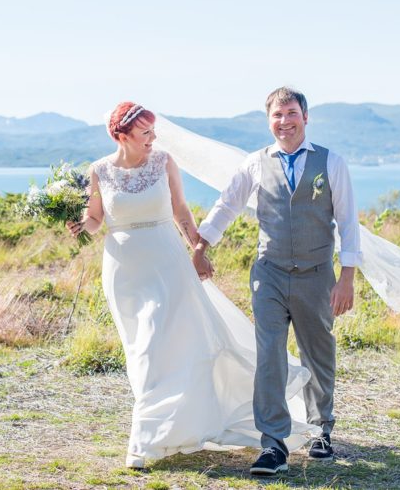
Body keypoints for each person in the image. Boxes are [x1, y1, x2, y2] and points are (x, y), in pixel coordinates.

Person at [67, 101, 317, 469]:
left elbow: (182, 211)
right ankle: (170, 431)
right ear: (121, 136)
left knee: (162, 343)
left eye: (154, 131)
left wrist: (197, 248)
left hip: (167, 263)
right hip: (124, 271)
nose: (152, 139)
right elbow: (95, 220)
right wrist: (79, 227)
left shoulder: (164, 161)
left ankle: (144, 442)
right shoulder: (99, 170)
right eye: (144, 133)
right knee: (140, 351)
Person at [191, 86, 361, 476]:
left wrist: (347, 277)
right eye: (277, 115)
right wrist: (202, 245)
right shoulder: (255, 163)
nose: (284, 122)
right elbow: (227, 204)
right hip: (268, 274)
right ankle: (273, 443)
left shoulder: (331, 163)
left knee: (318, 351)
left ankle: (320, 429)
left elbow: (349, 222)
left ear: (305, 117)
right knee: (268, 356)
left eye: (291, 113)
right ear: (268, 121)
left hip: (317, 276)